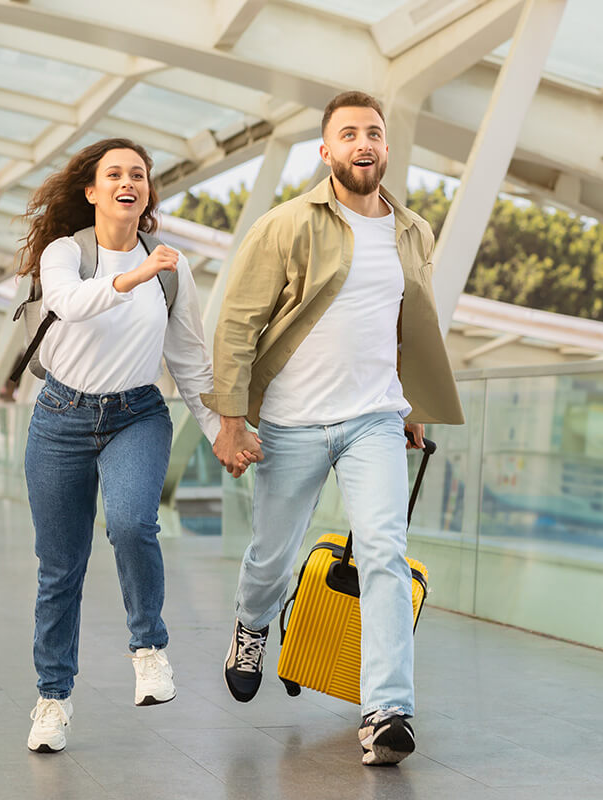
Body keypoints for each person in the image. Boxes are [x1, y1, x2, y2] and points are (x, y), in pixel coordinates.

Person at [205, 91, 464, 766]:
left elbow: (407, 328)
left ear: (386, 148)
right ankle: (250, 625)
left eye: (374, 132)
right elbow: (236, 324)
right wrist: (232, 421)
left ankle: (386, 709)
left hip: (374, 419)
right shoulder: (286, 225)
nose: (364, 142)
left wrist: (411, 408)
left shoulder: (412, 232)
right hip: (290, 423)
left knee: (384, 552)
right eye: (348, 133)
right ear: (326, 151)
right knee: (271, 554)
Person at [15, 138, 249, 753]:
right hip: (60, 416)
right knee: (60, 570)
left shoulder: (171, 267)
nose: (128, 181)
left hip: (136, 414)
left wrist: (220, 430)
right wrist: (134, 275)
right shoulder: (66, 254)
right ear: (92, 191)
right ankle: (52, 700)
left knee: (130, 523)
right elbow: (68, 304)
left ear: (146, 193)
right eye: (113, 173)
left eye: (138, 175)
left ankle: (149, 649)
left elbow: (190, 361)